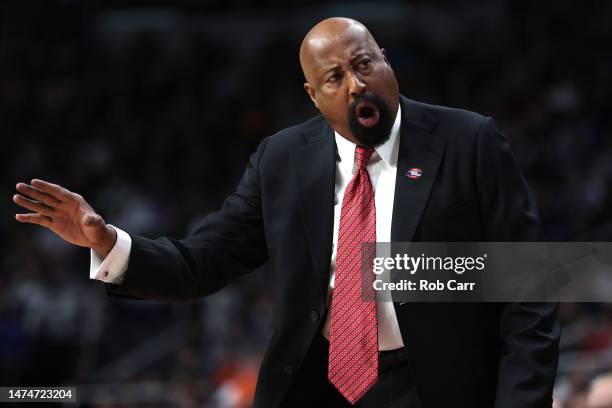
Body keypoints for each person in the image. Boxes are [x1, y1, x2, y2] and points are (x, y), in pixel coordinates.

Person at [13, 17, 559, 408]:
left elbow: (528, 291)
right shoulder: (282, 160)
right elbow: (203, 260)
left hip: (437, 386)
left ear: (387, 62)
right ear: (314, 96)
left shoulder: (470, 141)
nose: (356, 83)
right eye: (335, 77)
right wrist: (108, 243)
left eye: (364, 63)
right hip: (316, 385)